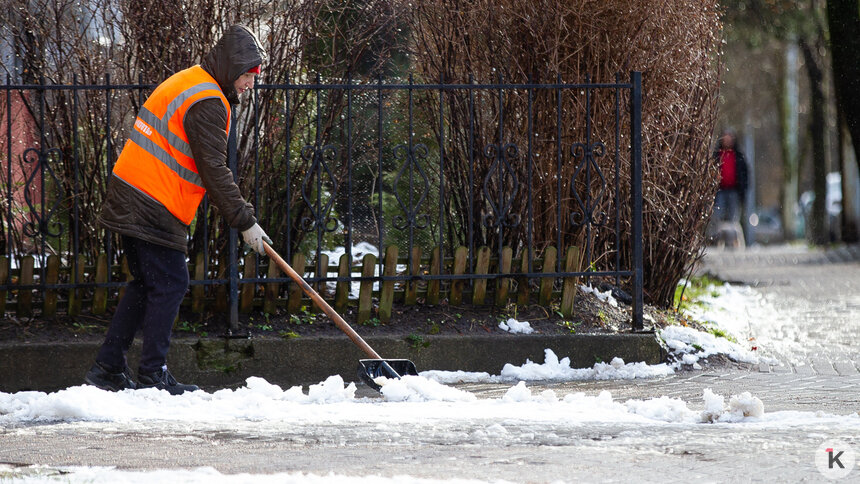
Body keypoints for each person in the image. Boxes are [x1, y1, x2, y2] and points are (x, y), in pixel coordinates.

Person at [84, 25, 271, 394]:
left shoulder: (192, 81)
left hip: (132, 192)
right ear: (234, 69)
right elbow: (214, 170)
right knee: (171, 284)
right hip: (152, 200)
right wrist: (245, 221)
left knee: (145, 284)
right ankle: (153, 376)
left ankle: (107, 368)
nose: (250, 86)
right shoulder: (208, 101)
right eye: (248, 77)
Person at [712, 129, 748, 247]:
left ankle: (735, 242)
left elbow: (745, 174)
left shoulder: (738, 155)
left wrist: (743, 189)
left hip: (734, 190)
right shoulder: (717, 155)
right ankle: (717, 241)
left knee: (734, 219)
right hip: (720, 190)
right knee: (718, 216)